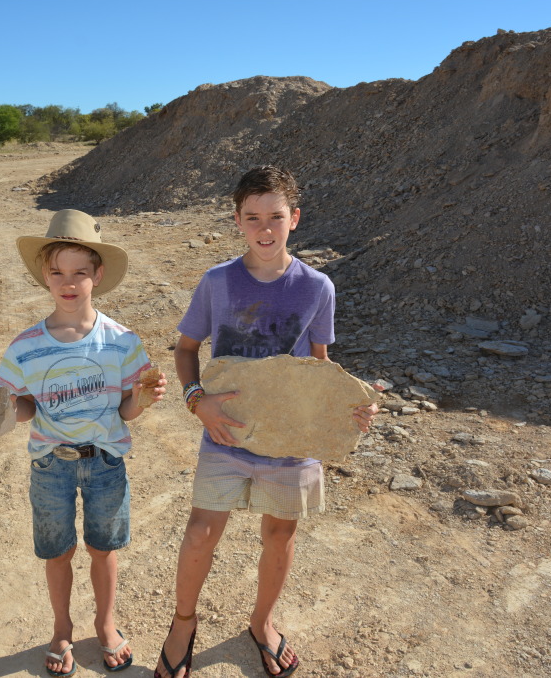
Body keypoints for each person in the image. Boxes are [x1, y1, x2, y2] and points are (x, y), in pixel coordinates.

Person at [153, 166, 380, 678]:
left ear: (293, 218)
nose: (264, 228)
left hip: (292, 438)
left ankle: (262, 623)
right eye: (252, 217)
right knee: (199, 534)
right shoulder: (217, 282)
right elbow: (186, 349)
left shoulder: (318, 287)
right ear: (237, 221)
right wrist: (196, 401)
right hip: (226, 429)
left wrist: (352, 405)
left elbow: (319, 367)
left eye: (275, 216)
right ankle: (183, 625)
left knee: (280, 536)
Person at [0, 209, 166, 677]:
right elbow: (23, 408)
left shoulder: (122, 342)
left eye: (80, 272)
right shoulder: (25, 347)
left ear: (97, 276)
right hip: (50, 465)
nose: (68, 282)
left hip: (106, 461)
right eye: (58, 272)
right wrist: (2, 412)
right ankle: (62, 628)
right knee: (57, 552)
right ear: (44, 275)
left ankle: (105, 624)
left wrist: (142, 400)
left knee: (104, 548)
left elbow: (125, 412)